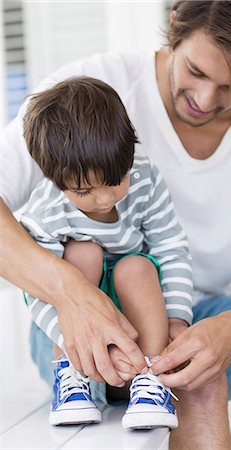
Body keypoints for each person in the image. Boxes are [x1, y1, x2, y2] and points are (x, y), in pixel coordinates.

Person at [1, 1, 231, 449]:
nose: (204, 100)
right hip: (84, 317)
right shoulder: (91, 95)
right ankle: (111, 375)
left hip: (196, 313)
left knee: (215, 353)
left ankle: (169, 363)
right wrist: (72, 295)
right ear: (175, 30)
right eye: (196, 72)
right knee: (197, 384)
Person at [20, 76, 192, 428]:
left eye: (115, 181)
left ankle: (150, 377)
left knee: (137, 267)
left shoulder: (145, 178)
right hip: (75, 319)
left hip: (137, 312)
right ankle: (73, 378)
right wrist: (79, 339)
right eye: (84, 191)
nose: (104, 199)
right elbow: (39, 291)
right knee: (83, 254)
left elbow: (171, 247)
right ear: (54, 179)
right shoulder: (46, 209)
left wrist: (177, 317)